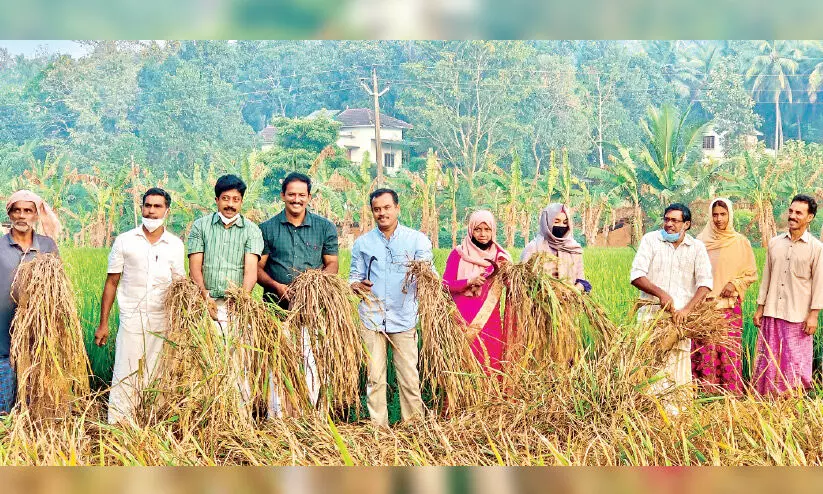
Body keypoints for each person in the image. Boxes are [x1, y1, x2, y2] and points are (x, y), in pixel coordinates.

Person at [94, 188, 186, 424]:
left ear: (167, 210)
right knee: (126, 369)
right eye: (148, 206)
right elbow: (112, 282)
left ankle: (153, 420)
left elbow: (180, 285)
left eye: (157, 206)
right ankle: (119, 422)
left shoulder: (175, 245)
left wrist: (182, 324)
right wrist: (103, 323)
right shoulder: (125, 240)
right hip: (131, 317)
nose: (152, 211)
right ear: (142, 207)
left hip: (162, 318)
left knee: (157, 371)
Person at [349, 188, 433, 427]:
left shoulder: (417, 240)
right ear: (372, 212)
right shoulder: (362, 244)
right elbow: (353, 276)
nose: (382, 213)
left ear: (397, 208)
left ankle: (413, 427)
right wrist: (357, 286)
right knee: (375, 378)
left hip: (404, 316)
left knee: (408, 376)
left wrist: (424, 274)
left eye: (387, 208)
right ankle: (379, 428)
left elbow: (430, 275)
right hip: (372, 318)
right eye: (377, 209)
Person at [257, 172, 338, 415]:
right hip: (276, 309)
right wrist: (277, 286)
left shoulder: (324, 227)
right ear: (283, 196)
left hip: (310, 311)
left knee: (310, 363)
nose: (296, 199)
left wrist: (314, 287)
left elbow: (332, 264)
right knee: (279, 363)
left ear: (309, 197)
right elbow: (257, 269)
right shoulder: (267, 228)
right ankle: (278, 418)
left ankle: (309, 416)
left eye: (301, 195)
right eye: (291, 194)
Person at [187, 175, 264, 406]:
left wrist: (241, 299)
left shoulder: (251, 230)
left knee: (238, 361)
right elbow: (195, 267)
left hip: (236, 306)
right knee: (205, 361)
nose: (230, 204)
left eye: (236, 199)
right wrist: (205, 296)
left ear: (242, 202)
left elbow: (251, 271)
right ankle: (208, 412)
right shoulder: (201, 226)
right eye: (226, 199)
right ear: (216, 200)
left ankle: (239, 414)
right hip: (205, 303)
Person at [629, 203, 713, 408]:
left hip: (679, 321)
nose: (669, 224)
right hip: (651, 318)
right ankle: (649, 412)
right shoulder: (651, 241)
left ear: (687, 224)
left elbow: (705, 284)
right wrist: (661, 295)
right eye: (666, 219)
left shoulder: (697, 248)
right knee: (650, 364)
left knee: (678, 367)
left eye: (675, 221)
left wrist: (687, 310)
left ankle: (678, 416)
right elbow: (636, 275)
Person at [753, 194, 823, 396]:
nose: (792, 216)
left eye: (799, 213)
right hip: (772, 312)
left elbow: (819, 284)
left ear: (809, 217)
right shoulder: (775, 243)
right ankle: (767, 400)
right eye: (791, 211)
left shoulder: (816, 249)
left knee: (795, 362)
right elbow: (766, 277)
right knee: (769, 360)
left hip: (798, 316)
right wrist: (760, 307)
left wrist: (814, 315)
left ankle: (793, 404)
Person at [0, 190, 61, 414]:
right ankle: (6, 432)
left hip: (38, 329)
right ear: (10, 214)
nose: (22, 216)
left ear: (35, 215)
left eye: (28, 210)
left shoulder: (47, 246)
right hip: (2, 329)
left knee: (35, 382)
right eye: (17, 210)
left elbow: (57, 286)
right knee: (4, 388)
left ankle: (31, 429)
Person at [692, 198, 757, 395]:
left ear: (730, 215)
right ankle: (707, 394)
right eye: (715, 214)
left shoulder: (740, 242)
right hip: (705, 307)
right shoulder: (699, 242)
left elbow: (751, 273)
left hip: (730, 307)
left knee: (729, 351)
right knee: (706, 352)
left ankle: (730, 395)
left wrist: (734, 283)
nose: (719, 219)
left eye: (723, 214)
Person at [442, 210, 512, 374]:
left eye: (487, 230)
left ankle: (491, 399)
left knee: (490, 362)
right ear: (470, 230)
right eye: (478, 229)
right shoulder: (458, 254)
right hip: (462, 318)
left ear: (493, 231)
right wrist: (468, 282)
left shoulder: (501, 257)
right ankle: (464, 399)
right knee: (464, 364)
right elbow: (445, 285)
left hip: (489, 321)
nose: (483, 234)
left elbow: (512, 285)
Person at [520, 203, 591, 292]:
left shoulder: (574, 249)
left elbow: (581, 279)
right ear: (546, 222)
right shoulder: (533, 248)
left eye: (565, 222)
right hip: (541, 302)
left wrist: (573, 290)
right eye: (556, 221)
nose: (561, 225)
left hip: (569, 302)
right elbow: (523, 281)